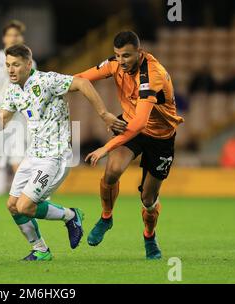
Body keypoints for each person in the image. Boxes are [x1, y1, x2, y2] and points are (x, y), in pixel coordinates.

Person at [0, 44, 126, 261]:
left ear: (28, 64)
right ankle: (41, 250)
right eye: (8, 65)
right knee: (12, 206)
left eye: (16, 65)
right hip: (33, 155)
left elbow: (82, 82)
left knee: (25, 206)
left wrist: (104, 114)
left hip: (55, 157)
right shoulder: (13, 90)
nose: (10, 70)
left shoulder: (48, 80)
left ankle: (71, 216)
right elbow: (1, 125)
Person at [75, 31, 184, 259]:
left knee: (148, 199)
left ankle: (149, 236)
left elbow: (139, 124)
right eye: (117, 55)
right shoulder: (114, 65)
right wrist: (48, 85)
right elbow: (79, 78)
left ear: (139, 52)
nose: (121, 61)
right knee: (112, 171)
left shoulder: (152, 74)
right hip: (131, 122)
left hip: (160, 136)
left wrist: (105, 148)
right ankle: (106, 218)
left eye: (126, 56)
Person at [0, 20, 36, 221]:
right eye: (10, 35)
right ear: (4, 38)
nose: (13, 38)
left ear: (22, 39)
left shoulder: (31, 63)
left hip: (18, 121)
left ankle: (21, 205)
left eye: (17, 36)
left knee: (19, 164)